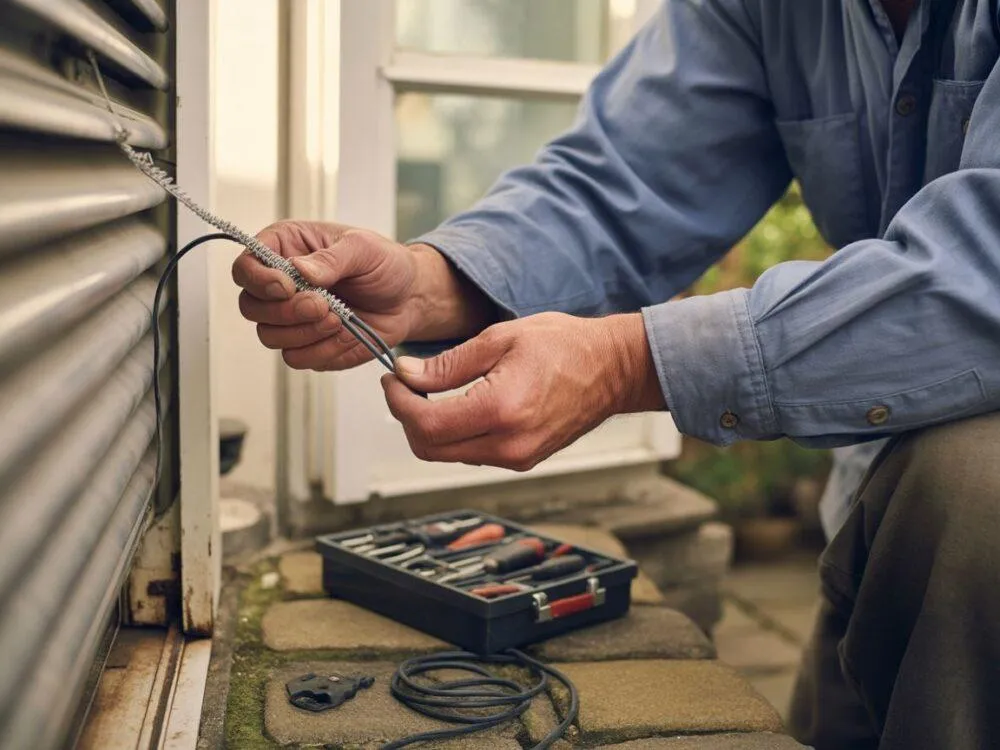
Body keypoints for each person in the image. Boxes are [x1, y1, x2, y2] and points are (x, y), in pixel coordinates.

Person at [233, 1, 1000, 747]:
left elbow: (985, 265)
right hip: (878, 515)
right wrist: (429, 281)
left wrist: (626, 363)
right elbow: (623, 183)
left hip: (970, 526)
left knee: (968, 473)